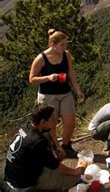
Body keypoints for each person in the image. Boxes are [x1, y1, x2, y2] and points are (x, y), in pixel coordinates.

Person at [29, 29, 85, 159]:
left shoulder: (66, 54)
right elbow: (32, 79)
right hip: (48, 95)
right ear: (53, 45)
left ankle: (65, 145)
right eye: (62, 45)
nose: (65, 47)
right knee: (51, 125)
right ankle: (56, 148)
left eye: (66, 44)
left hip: (65, 93)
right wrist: (48, 77)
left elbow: (70, 72)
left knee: (70, 122)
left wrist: (77, 90)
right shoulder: (41, 58)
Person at [4, 103, 85, 191]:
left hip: (11, 176)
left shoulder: (25, 127)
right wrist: (75, 171)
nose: (56, 120)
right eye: (52, 118)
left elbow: (41, 155)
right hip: (23, 184)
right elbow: (55, 166)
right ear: (43, 122)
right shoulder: (38, 141)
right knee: (75, 179)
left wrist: (56, 148)